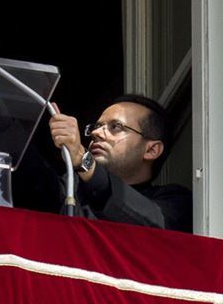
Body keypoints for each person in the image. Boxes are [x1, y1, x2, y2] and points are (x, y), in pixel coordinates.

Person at [48, 94, 192, 232]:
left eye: (116, 126)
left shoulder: (175, 201)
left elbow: (154, 227)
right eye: (96, 126)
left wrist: (83, 159)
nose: (96, 133)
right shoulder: (71, 188)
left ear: (151, 150)